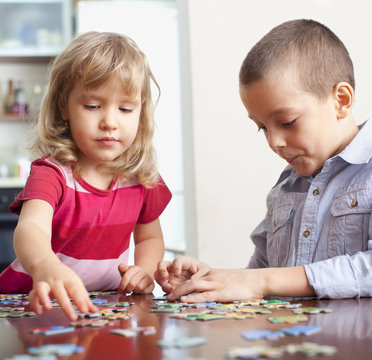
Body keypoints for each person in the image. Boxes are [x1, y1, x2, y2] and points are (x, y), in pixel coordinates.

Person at [155, 19, 372, 303]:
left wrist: (262, 280)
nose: (273, 142)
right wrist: (211, 280)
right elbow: (259, 277)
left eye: (287, 121)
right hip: (287, 343)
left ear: (341, 101)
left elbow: (265, 280)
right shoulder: (286, 187)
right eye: (263, 128)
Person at [0, 32, 172, 320]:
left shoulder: (143, 177)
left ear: (141, 113)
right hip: (29, 304)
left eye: (126, 108)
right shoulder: (51, 173)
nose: (110, 122)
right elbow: (31, 229)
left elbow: (149, 238)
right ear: (63, 107)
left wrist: (144, 271)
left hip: (101, 307)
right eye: (92, 106)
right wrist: (45, 265)